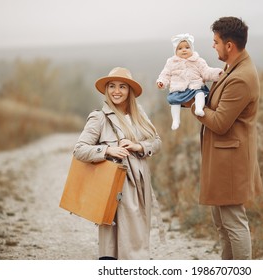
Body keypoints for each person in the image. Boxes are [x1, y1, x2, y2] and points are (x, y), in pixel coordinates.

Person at [191, 17, 263, 259]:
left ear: (229, 45)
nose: (213, 46)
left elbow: (220, 123)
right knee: (223, 226)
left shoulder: (241, 78)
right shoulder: (232, 69)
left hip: (230, 163)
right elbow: (216, 105)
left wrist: (194, 106)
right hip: (222, 159)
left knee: (234, 224)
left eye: (216, 42)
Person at [73, 67, 162, 260]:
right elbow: (79, 150)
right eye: (112, 86)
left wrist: (138, 146)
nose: (116, 91)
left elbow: (157, 142)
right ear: (106, 89)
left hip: (139, 186)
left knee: (136, 240)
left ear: (129, 91)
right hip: (112, 186)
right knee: (112, 243)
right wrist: (107, 150)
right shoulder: (99, 117)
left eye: (122, 86)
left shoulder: (139, 115)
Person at [157, 33, 222, 130]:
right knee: (174, 102)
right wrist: (161, 82)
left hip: (194, 86)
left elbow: (206, 72)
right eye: (180, 48)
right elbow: (165, 74)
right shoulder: (171, 62)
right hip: (178, 88)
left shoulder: (198, 61)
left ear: (192, 49)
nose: (184, 50)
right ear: (175, 51)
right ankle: (176, 120)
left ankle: (199, 108)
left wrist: (217, 73)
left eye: (187, 47)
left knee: (200, 93)